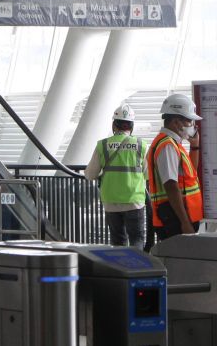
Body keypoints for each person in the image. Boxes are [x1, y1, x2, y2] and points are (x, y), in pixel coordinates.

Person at [83, 103, 147, 248]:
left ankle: (120, 269)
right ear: (132, 126)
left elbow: (91, 174)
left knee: (118, 241)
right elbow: (148, 174)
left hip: (111, 202)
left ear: (114, 125)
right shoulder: (141, 145)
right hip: (134, 201)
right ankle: (137, 269)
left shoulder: (103, 145)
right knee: (136, 239)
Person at [145, 93, 204, 240]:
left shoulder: (173, 144)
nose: (193, 125)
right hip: (174, 220)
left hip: (180, 216)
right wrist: (185, 223)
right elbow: (171, 185)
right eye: (189, 121)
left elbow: (192, 174)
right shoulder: (167, 146)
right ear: (177, 122)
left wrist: (195, 147)